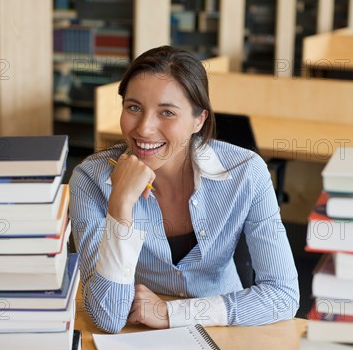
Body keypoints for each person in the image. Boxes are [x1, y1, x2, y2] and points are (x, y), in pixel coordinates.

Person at [70, 45, 299, 334]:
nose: (144, 128)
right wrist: (120, 206)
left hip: (225, 328)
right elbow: (108, 317)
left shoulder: (246, 172)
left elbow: (283, 295)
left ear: (198, 120)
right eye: (133, 107)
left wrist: (170, 312)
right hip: (139, 335)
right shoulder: (90, 180)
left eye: (167, 112)